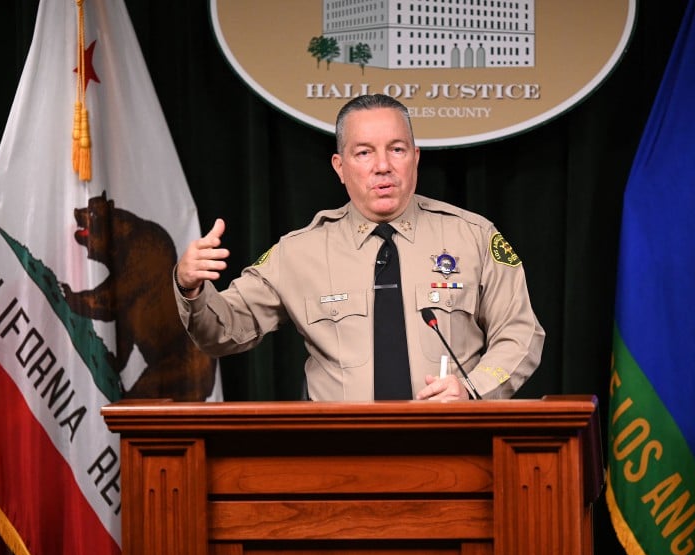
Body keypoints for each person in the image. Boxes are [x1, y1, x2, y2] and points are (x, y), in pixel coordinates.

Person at [174, 94, 544, 401]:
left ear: (415, 158)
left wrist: (472, 388)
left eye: (396, 149)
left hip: (454, 447)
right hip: (340, 457)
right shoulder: (299, 252)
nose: (382, 166)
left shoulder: (474, 237)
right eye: (364, 153)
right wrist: (190, 286)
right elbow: (223, 332)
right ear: (340, 166)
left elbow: (520, 334)